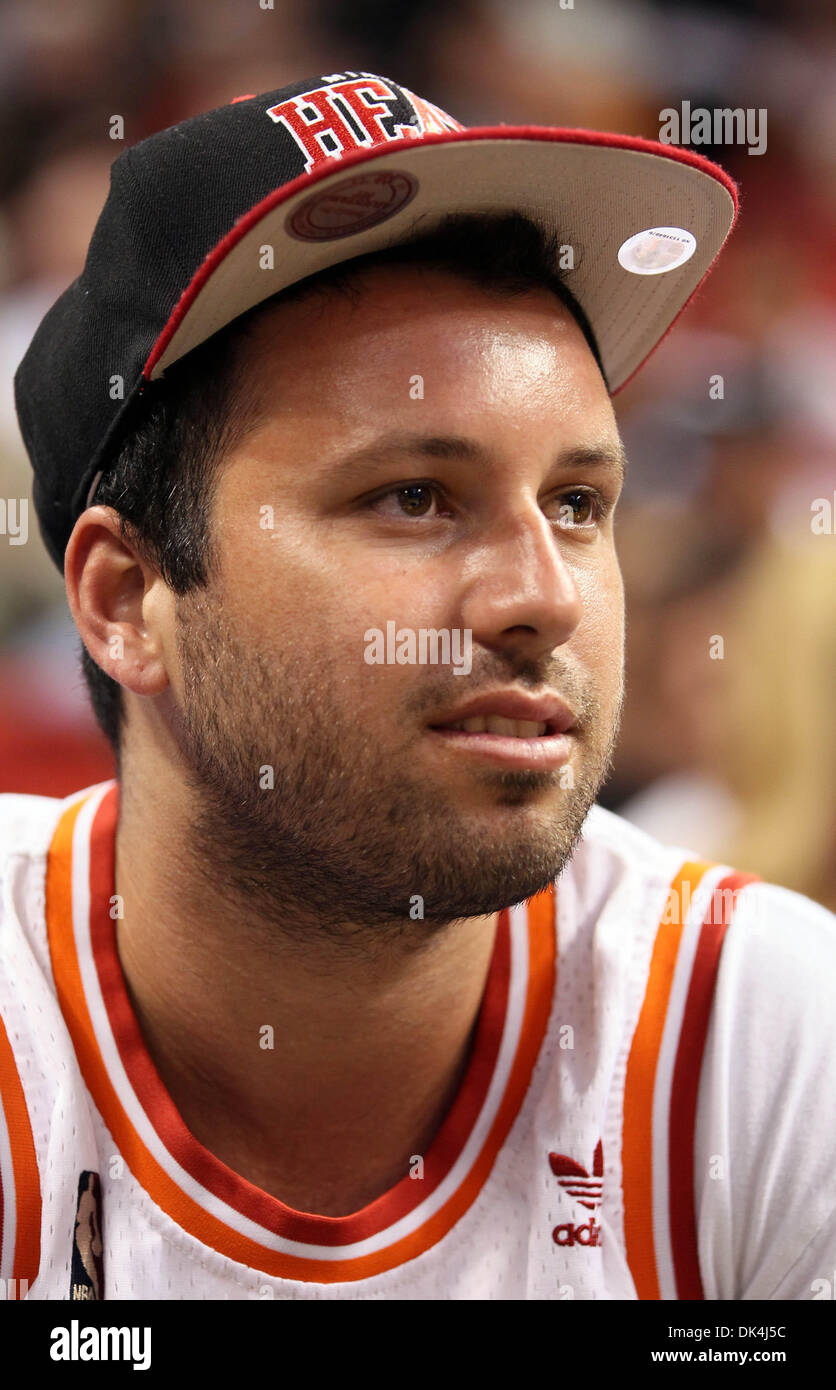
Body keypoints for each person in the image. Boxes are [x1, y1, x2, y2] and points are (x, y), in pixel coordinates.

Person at [3, 70, 834, 1301]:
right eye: (412, 497)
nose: (542, 596)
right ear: (128, 600)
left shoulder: (767, 1040)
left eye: (575, 503)